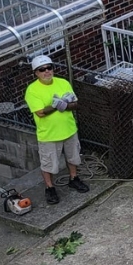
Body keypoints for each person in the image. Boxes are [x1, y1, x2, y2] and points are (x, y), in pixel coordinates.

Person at [23, 55, 90, 205]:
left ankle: (74, 178)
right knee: (48, 163)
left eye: (49, 68)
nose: (47, 71)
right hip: (49, 135)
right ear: (36, 73)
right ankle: (50, 188)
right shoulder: (32, 90)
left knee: (73, 157)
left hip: (69, 129)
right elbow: (40, 111)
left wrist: (66, 105)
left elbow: (76, 103)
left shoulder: (63, 83)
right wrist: (56, 105)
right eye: (42, 69)